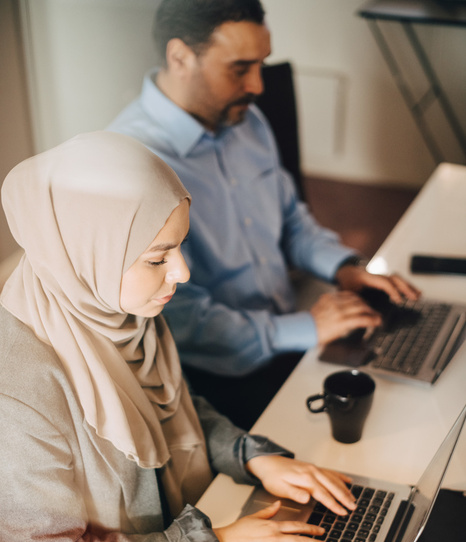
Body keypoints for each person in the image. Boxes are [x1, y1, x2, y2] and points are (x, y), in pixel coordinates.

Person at [0, 131, 356, 542]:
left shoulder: (111, 302)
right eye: (158, 257)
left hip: (183, 536)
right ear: (88, 252)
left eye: (179, 246)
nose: (183, 273)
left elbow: (176, 411)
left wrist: (251, 457)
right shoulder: (17, 393)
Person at [108, 0, 420, 429]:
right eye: (240, 68)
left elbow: (291, 219)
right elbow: (179, 316)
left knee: (407, 382)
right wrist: (303, 328)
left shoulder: (248, 122)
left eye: (261, 65)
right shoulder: (132, 162)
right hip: (218, 376)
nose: (258, 85)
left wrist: (345, 267)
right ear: (180, 57)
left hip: (291, 330)